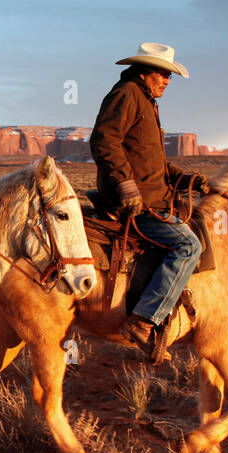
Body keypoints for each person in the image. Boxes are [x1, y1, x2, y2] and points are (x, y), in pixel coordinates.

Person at [89, 42, 212, 359]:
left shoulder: (145, 102)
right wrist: (126, 185)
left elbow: (150, 162)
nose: (167, 81)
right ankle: (144, 320)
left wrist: (185, 178)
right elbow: (104, 140)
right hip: (136, 204)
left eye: (170, 76)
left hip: (154, 197)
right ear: (146, 72)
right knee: (188, 247)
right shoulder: (127, 94)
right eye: (164, 74)